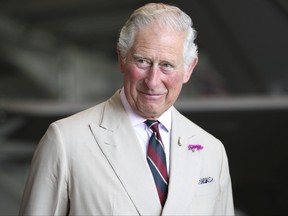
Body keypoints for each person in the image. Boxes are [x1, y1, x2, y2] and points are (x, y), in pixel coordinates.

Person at [19, 3, 234, 215]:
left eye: (167, 65)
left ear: (188, 69)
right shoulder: (65, 141)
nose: (153, 81)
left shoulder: (212, 151)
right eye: (142, 61)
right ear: (122, 59)